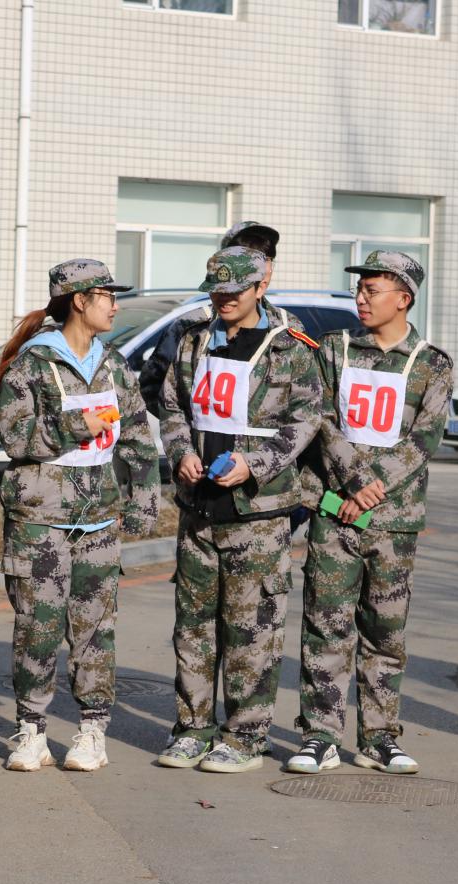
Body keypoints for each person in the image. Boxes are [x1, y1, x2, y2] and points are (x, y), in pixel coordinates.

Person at [155, 246, 321, 773]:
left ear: (260, 288)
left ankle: (245, 736)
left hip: (258, 514)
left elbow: (306, 420)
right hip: (199, 508)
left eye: (234, 292)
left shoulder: (290, 348)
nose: (223, 300)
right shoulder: (193, 339)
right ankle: (192, 728)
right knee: (194, 628)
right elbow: (172, 406)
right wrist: (180, 451)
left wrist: (256, 464)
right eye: (216, 291)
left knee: (252, 629)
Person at [288, 251, 453, 775]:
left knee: (385, 632)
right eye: (360, 288)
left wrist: (374, 487)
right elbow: (319, 419)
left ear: (403, 298)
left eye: (373, 289)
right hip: (335, 511)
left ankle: (380, 737)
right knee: (326, 624)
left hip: (394, 523)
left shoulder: (431, 363)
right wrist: (355, 481)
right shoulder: (333, 350)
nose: (361, 297)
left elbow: (424, 439)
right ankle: (320, 735)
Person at [0, 259, 159, 772]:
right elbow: (15, 438)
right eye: (107, 296)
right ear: (80, 301)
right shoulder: (33, 364)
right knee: (37, 628)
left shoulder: (114, 365)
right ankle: (31, 732)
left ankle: (92, 732)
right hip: (40, 519)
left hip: (99, 520)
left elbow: (137, 437)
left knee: (95, 630)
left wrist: (143, 500)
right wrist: (77, 425)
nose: (115, 306)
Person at [138, 221, 281, 416]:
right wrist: (190, 425)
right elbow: (151, 388)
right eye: (245, 256)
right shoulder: (192, 326)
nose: (262, 267)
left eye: (267, 258)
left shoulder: (286, 327)